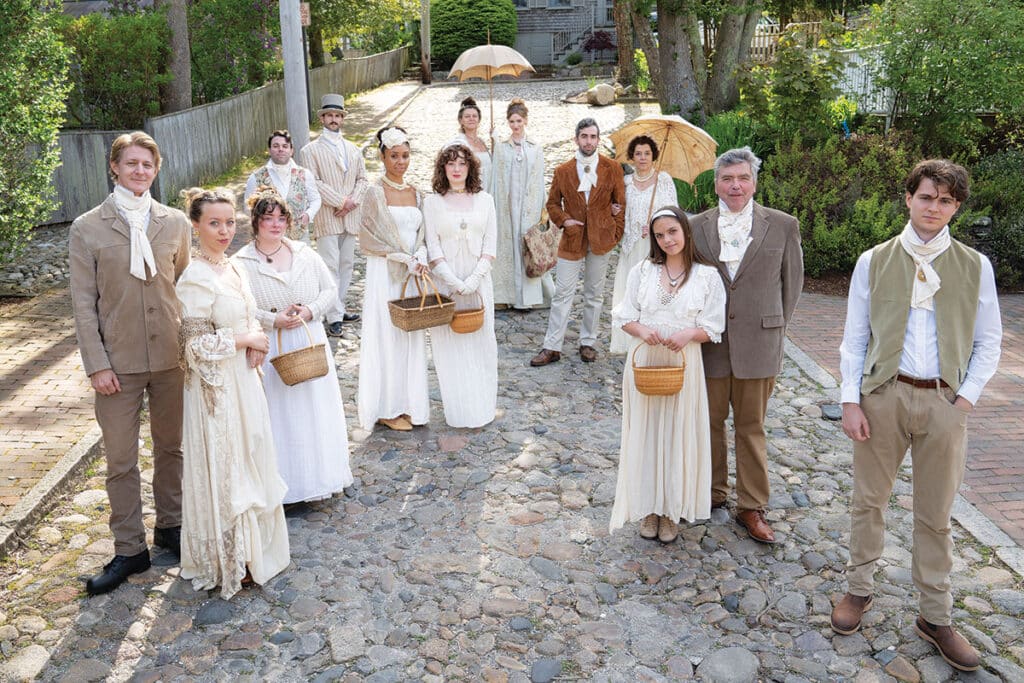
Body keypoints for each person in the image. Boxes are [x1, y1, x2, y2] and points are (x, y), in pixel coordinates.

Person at [830, 160, 1001, 672]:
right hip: (884, 394)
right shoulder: (874, 260)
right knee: (869, 502)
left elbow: (990, 340)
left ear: (956, 207)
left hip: (945, 403)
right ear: (909, 198)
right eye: (927, 197)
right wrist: (849, 398)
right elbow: (855, 337)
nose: (934, 208)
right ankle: (858, 589)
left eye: (946, 201)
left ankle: (936, 614)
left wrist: (966, 398)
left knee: (935, 514)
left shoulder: (975, 266)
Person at [69, 132, 190, 595]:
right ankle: (129, 548)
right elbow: (83, 304)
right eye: (132, 163)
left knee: (171, 448)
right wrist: (97, 364)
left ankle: (171, 528)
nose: (140, 171)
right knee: (120, 459)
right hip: (116, 364)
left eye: (148, 164)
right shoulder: (88, 228)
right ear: (114, 168)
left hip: (169, 359)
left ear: (156, 170)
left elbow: (181, 285)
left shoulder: (174, 223)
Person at [176, 187, 290, 599]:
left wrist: (259, 335)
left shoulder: (232, 268)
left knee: (252, 456)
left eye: (229, 222)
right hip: (216, 391)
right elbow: (194, 347)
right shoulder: (195, 278)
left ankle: (256, 550)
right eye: (214, 223)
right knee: (229, 469)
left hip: (244, 383)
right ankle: (232, 557)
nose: (224, 231)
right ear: (195, 225)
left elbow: (247, 317)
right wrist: (246, 340)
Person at [689, 146, 803, 544]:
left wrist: (773, 326)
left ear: (754, 181)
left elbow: (793, 284)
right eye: (727, 179)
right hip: (711, 342)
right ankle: (712, 492)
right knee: (709, 422)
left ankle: (751, 505)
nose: (735, 186)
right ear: (716, 184)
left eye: (742, 178)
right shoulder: (696, 226)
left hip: (760, 342)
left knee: (751, 427)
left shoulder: (783, 225)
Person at [609, 207, 726, 543]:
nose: (667, 240)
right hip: (646, 360)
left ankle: (671, 510)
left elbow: (713, 326)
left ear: (685, 231)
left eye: (673, 232)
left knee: (676, 434)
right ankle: (649, 507)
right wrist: (642, 331)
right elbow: (624, 315)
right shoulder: (643, 271)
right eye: (660, 235)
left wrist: (689, 334)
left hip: (683, 363)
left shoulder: (706, 275)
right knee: (646, 433)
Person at [233, 187, 354, 502]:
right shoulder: (241, 262)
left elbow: (330, 289)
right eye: (267, 218)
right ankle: (285, 486)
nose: (275, 225)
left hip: (307, 337)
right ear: (256, 222)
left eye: (280, 218)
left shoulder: (304, 253)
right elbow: (238, 307)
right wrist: (272, 320)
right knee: (281, 416)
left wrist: (310, 310)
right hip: (271, 343)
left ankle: (319, 479)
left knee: (314, 410)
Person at [530, 118, 626, 366]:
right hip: (572, 240)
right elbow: (552, 203)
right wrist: (564, 221)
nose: (589, 141)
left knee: (594, 294)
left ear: (598, 139)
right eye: (584, 136)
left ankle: (588, 342)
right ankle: (552, 347)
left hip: (601, 238)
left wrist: (615, 232)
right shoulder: (563, 170)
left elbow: (620, 204)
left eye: (593, 137)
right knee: (563, 293)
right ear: (576, 139)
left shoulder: (612, 167)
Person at [357, 126, 431, 431]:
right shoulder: (374, 193)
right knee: (387, 336)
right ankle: (387, 407)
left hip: (412, 275)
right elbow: (368, 239)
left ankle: (410, 402)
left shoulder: (417, 193)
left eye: (405, 155)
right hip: (386, 273)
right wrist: (403, 258)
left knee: (410, 336)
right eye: (394, 156)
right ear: (382, 157)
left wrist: (421, 256)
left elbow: (424, 233)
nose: (400, 162)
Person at [423, 143, 498, 428]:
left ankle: (482, 408)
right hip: (446, 284)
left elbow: (490, 245)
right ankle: (458, 410)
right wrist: (453, 281)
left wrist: (474, 279)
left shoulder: (485, 200)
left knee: (480, 344)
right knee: (451, 347)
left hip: (479, 283)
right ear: (443, 168)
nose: (456, 169)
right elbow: (432, 246)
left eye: (462, 164)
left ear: (471, 168)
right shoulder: (432, 202)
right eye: (450, 164)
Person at [300, 93, 368, 335]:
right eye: (329, 115)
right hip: (328, 215)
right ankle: (333, 316)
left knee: (347, 264)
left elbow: (363, 179)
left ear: (342, 118)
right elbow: (313, 182)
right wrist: (341, 201)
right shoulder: (310, 150)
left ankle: (337, 308)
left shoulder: (354, 149)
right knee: (329, 266)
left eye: (337, 115)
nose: (333, 119)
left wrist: (352, 203)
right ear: (322, 118)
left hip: (350, 217)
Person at [609, 135, 679, 354]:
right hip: (632, 246)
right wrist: (616, 211)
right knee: (630, 291)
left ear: (653, 156)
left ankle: (655, 335)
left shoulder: (664, 180)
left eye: (647, 153)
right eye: (638, 153)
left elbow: (674, 213)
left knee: (653, 291)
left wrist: (654, 225)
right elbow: (619, 210)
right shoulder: (626, 183)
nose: (642, 158)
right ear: (632, 156)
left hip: (655, 246)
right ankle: (627, 339)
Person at [491, 98, 552, 309]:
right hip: (509, 204)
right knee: (510, 246)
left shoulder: (535, 148)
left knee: (528, 246)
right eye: (511, 121)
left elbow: (540, 178)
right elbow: (496, 179)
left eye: (518, 121)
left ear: (525, 120)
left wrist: (543, 206)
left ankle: (529, 298)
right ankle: (509, 295)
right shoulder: (502, 148)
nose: (515, 125)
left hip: (528, 205)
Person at [243, 129, 322, 243]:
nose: (280, 149)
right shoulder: (256, 177)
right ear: (269, 150)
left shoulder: (305, 174)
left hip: (299, 238)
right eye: (276, 146)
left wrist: (308, 216)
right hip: (268, 239)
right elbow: (248, 207)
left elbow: (316, 199)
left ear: (291, 150)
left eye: (285, 146)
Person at [449, 97, 492, 192]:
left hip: (488, 189)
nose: (471, 119)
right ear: (461, 120)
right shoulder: (459, 143)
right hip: (470, 190)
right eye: (467, 116)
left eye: (474, 116)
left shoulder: (482, 142)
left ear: (479, 119)